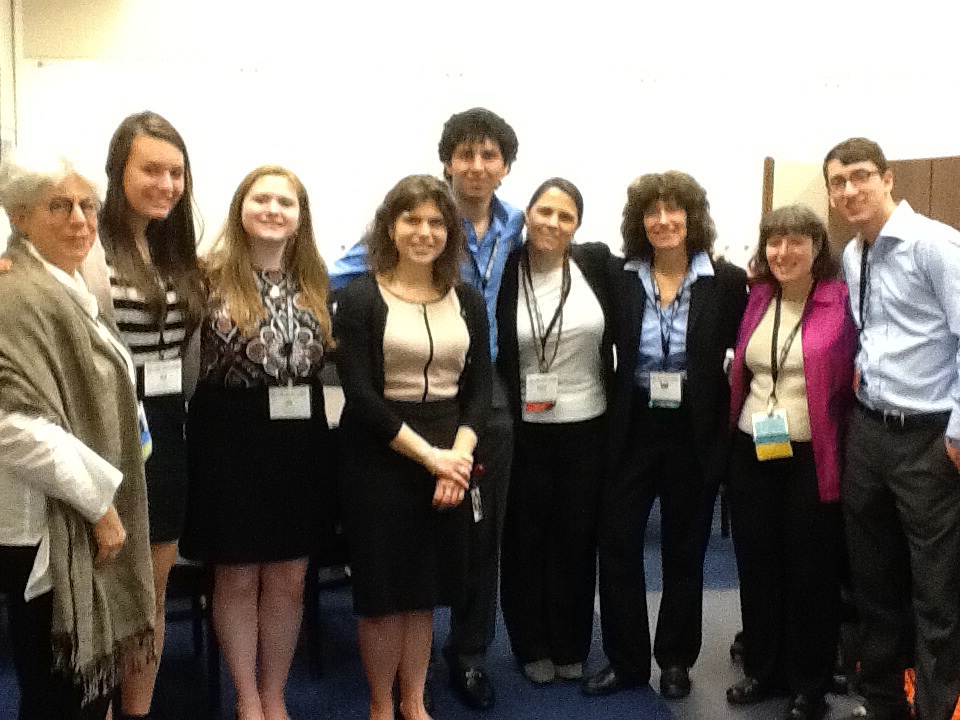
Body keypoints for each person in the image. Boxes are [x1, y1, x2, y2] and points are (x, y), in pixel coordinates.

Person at [330, 107, 523, 710]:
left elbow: (479, 383)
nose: (424, 232)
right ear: (389, 228)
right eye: (411, 221)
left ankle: (436, 683)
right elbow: (361, 396)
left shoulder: (496, 257)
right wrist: (435, 459)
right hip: (385, 448)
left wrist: (455, 459)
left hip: (460, 429)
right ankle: (382, 704)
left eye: (436, 223)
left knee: (442, 577)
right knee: (386, 591)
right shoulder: (362, 293)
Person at [0, 150, 155, 719]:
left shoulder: (64, 284)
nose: (79, 220)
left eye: (88, 206)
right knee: (58, 698)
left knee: (81, 697)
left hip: (75, 514)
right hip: (43, 524)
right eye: (59, 206)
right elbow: (13, 427)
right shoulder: (15, 296)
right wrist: (100, 506)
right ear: (20, 216)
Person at [584, 171, 748, 700]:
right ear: (639, 222)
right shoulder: (620, 277)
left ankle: (676, 659)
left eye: (673, 209)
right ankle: (627, 661)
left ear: (692, 217)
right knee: (617, 543)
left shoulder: (726, 282)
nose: (662, 220)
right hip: (632, 423)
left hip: (694, 426)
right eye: (651, 211)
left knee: (685, 548)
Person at [180, 165, 335, 720]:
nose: (273, 210)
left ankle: (275, 694)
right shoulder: (204, 277)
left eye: (285, 202)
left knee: (290, 577)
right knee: (238, 575)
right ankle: (247, 698)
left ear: (300, 216)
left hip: (300, 444)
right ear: (240, 208)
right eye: (261, 199)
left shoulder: (317, 278)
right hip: (229, 440)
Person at [824, 137, 960, 720]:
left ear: (887, 179)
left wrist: (958, 434)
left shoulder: (935, 245)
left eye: (859, 175)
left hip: (928, 438)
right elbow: (875, 331)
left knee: (935, 590)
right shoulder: (854, 253)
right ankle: (881, 701)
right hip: (869, 431)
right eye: (837, 182)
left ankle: (935, 709)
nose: (849, 189)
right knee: (873, 580)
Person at [725, 205, 856, 720]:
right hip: (752, 446)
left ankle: (809, 684)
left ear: (817, 247)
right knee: (757, 563)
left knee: (810, 570)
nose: (783, 252)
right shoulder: (758, 298)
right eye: (774, 242)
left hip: (812, 452)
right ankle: (764, 669)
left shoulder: (840, 301)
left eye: (796, 241)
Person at [97, 110, 204, 720]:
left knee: (152, 596)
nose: (165, 184)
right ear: (119, 171)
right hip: (104, 436)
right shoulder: (89, 248)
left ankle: (138, 711)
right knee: (106, 592)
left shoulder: (175, 250)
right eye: (151, 170)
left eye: (176, 173)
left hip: (164, 430)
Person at [496, 178, 619, 684]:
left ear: (578, 226)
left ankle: (570, 642)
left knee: (575, 538)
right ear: (527, 214)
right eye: (544, 211)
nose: (553, 222)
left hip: (588, 424)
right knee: (524, 540)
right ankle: (530, 643)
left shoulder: (596, 266)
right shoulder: (505, 272)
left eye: (565, 216)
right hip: (523, 428)